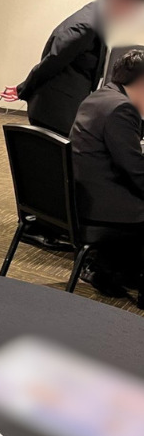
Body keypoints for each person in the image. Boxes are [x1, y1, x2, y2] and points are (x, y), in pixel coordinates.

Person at [3, 0, 144, 136]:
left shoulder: (96, 15)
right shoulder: (86, 26)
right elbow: (52, 62)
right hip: (54, 111)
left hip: (64, 104)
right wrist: (23, 89)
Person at [70, 49, 144, 303]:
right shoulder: (123, 108)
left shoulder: (100, 96)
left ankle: (116, 271)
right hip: (103, 204)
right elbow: (134, 169)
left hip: (84, 192)